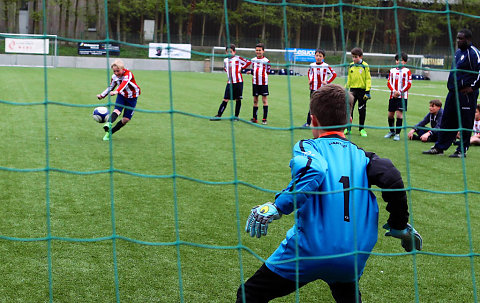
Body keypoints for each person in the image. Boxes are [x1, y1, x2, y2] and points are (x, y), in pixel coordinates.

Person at [238, 84, 422, 303]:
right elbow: (392, 178)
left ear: (313, 119)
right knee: (347, 293)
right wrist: (400, 225)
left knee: (249, 294)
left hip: (308, 252)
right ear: (350, 119)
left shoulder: (309, 146)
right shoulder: (365, 157)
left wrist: (279, 206)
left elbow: (314, 169)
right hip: (352, 256)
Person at [423, 29, 480, 158]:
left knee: (465, 121)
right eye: (458, 38)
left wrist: (472, 87)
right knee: (447, 120)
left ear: (468, 40)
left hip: (466, 95)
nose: (459, 41)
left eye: (461, 39)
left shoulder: (474, 53)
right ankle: (440, 147)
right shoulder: (458, 52)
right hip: (453, 93)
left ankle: (462, 150)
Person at [97, 59, 141, 141]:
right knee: (117, 110)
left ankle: (110, 133)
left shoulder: (128, 74)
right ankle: (108, 123)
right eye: (114, 71)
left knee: (126, 120)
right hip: (122, 95)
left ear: (122, 68)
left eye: (118, 71)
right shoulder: (114, 77)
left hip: (132, 97)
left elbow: (124, 83)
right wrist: (102, 95)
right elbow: (111, 87)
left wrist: (116, 91)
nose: (116, 73)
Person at [211, 44, 251, 121]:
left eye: (231, 51)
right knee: (225, 99)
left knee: (238, 99)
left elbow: (248, 62)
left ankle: (236, 116)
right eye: (227, 52)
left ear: (234, 52)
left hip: (238, 82)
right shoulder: (225, 60)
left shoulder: (238, 58)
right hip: (230, 83)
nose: (229, 53)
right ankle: (218, 115)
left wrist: (241, 68)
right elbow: (226, 69)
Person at [303, 48, 337, 127]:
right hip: (313, 89)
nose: (318, 57)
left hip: (322, 89)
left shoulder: (326, 66)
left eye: (320, 56)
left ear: (323, 57)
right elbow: (309, 73)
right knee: (312, 105)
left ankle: (322, 123)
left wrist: (327, 82)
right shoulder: (312, 65)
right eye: (317, 55)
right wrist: (310, 80)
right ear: (314, 56)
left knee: (322, 106)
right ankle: (308, 123)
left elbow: (334, 74)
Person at [384, 52, 412, 141]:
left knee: (399, 115)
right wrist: (393, 91)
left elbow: (409, 84)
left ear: (405, 62)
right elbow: (389, 82)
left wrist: (400, 92)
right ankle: (391, 131)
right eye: (397, 60)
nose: (399, 62)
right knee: (390, 115)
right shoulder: (392, 71)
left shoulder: (407, 71)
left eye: (401, 60)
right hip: (393, 96)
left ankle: (397, 133)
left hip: (402, 97)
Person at [345, 47, 371, 137]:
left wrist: (367, 91)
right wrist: (346, 88)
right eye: (353, 57)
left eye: (356, 57)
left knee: (361, 110)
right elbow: (349, 78)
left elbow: (368, 79)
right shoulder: (351, 65)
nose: (354, 59)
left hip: (362, 91)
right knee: (349, 109)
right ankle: (348, 128)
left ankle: (361, 129)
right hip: (352, 91)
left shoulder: (365, 66)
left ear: (361, 57)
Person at [248, 43, 271, 125]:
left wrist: (263, 77)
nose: (258, 52)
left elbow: (268, 71)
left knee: (264, 100)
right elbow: (253, 70)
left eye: (259, 50)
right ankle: (255, 118)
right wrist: (250, 72)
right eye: (257, 50)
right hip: (255, 83)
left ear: (263, 51)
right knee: (255, 100)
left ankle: (264, 119)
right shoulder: (253, 60)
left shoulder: (266, 61)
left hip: (263, 83)